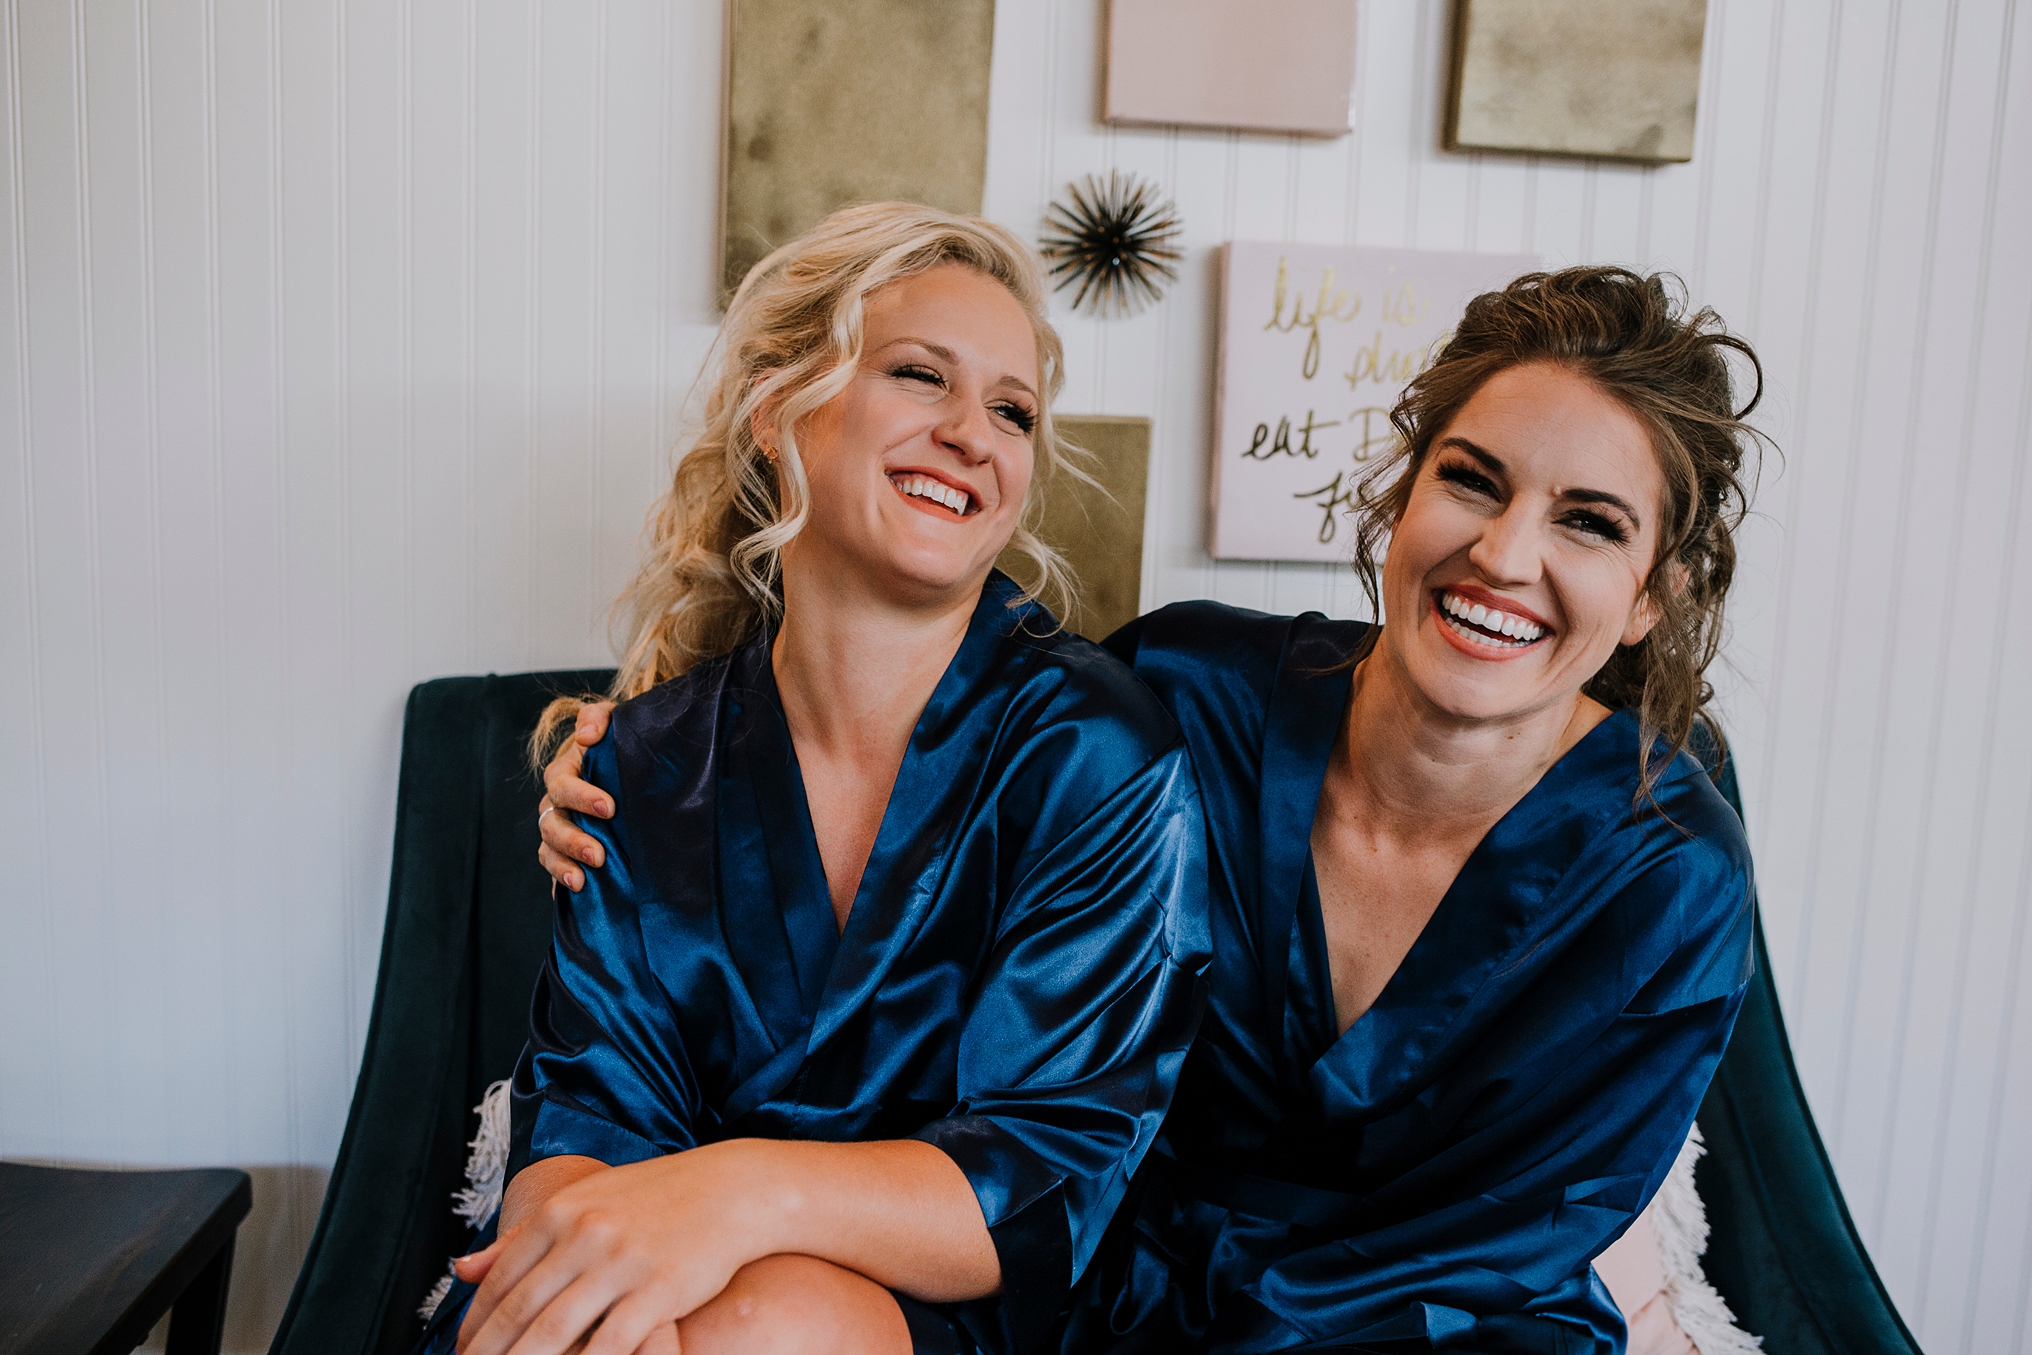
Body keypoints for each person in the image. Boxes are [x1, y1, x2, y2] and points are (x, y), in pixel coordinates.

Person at [540, 266, 1765, 1353]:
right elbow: (925, 764)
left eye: (1588, 523)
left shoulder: (1668, 879)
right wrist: (640, 759)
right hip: (1104, 1303)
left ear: (1650, 597)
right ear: (1401, 495)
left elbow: (1502, 1243)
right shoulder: (1182, 690)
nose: (1502, 553)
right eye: (1470, 480)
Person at [444, 203, 1210, 1355]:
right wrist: (601, 1298)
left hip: (961, 1306)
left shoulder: (1093, 752)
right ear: (779, 409)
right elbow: (586, 1114)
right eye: (921, 375)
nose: (973, 432)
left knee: (771, 1321)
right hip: (667, 1286)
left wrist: (739, 1193)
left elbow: (1042, 1171)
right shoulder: (640, 764)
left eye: (1011, 410)